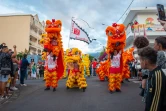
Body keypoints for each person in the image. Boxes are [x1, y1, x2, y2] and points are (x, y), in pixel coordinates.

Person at [138, 46, 166, 111]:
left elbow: (156, 102)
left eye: (140, 60)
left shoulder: (157, 75)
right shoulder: (152, 73)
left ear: (145, 62)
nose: (140, 63)